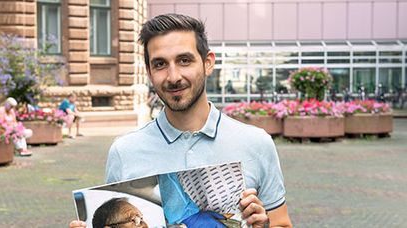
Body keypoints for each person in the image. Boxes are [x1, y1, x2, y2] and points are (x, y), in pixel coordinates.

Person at [70, 14, 292, 228]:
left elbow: (282, 223)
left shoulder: (257, 143)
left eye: (184, 60)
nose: (173, 76)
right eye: (160, 64)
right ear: (148, 71)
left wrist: (263, 225)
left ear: (208, 63)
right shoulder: (124, 152)